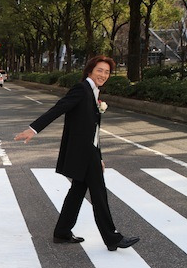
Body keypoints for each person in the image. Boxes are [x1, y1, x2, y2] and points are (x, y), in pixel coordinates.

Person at [14, 56, 139, 251]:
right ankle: (112, 238)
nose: (103, 75)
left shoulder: (93, 92)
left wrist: (99, 157)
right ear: (90, 71)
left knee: (77, 192)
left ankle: (62, 232)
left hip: (89, 153)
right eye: (100, 70)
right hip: (84, 154)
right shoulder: (82, 89)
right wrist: (34, 129)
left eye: (107, 72)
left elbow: (94, 131)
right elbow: (58, 109)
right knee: (99, 194)